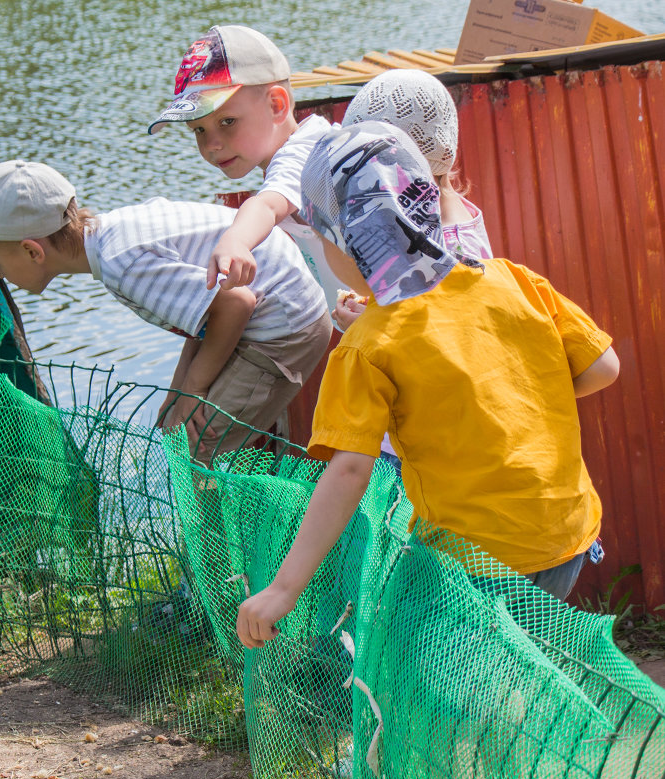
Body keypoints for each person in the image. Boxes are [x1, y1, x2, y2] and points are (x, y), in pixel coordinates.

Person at [235, 122, 620, 647]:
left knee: (440, 678)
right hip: (566, 536)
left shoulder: (368, 346)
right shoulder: (512, 280)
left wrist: (283, 588)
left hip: (475, 560)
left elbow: (349, 471)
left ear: (349, 241)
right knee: (526, 663)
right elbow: (604, 368)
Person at [0, 159, 331, 463]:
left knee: (195, 451)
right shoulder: (110, 238)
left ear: (33, 251)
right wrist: (178, 393)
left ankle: (224, 571)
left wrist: (193, 392)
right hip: (259, 314)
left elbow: (236, 302)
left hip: (285, 326)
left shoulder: (121, 264)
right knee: (176, 429)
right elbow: (204, 314)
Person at [333, 69, 496, 475]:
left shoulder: (450, 246)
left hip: (420, 445)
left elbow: (437, 339)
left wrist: (366, 323)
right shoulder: (451, 216)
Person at [148, 24, 352, 319]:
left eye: (227, 121)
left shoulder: (311, 151)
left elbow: (267, 204)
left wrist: (237, 241)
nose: (211, 145)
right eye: (199, 130)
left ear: (276, 105)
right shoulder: (292, 154)